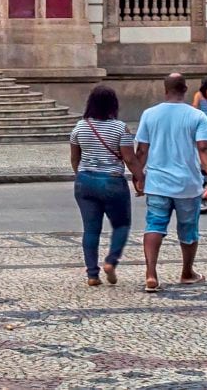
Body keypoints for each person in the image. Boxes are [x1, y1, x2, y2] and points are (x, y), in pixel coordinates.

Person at [132, 72, 207, 292]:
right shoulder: (197, 116)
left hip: (158, 182)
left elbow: (141, 150)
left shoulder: (149, 114)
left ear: (164, 89)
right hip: (188, 183)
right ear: (186, 89)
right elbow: (204, 148)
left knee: (154, 225)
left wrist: (138, 176)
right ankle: (187, 272)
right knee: (188, 229)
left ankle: (151, 274)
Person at [68, 85, 137, 286]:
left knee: (90, 230)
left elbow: (74, 158)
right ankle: (111, 261)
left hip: (85, 180)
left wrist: (81, 177)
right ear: (113, 104)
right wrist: (140, 178)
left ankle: (92, 274)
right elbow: (130, 159)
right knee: (121, 225)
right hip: (112, 181)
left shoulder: (79, 127)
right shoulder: (120, 128)